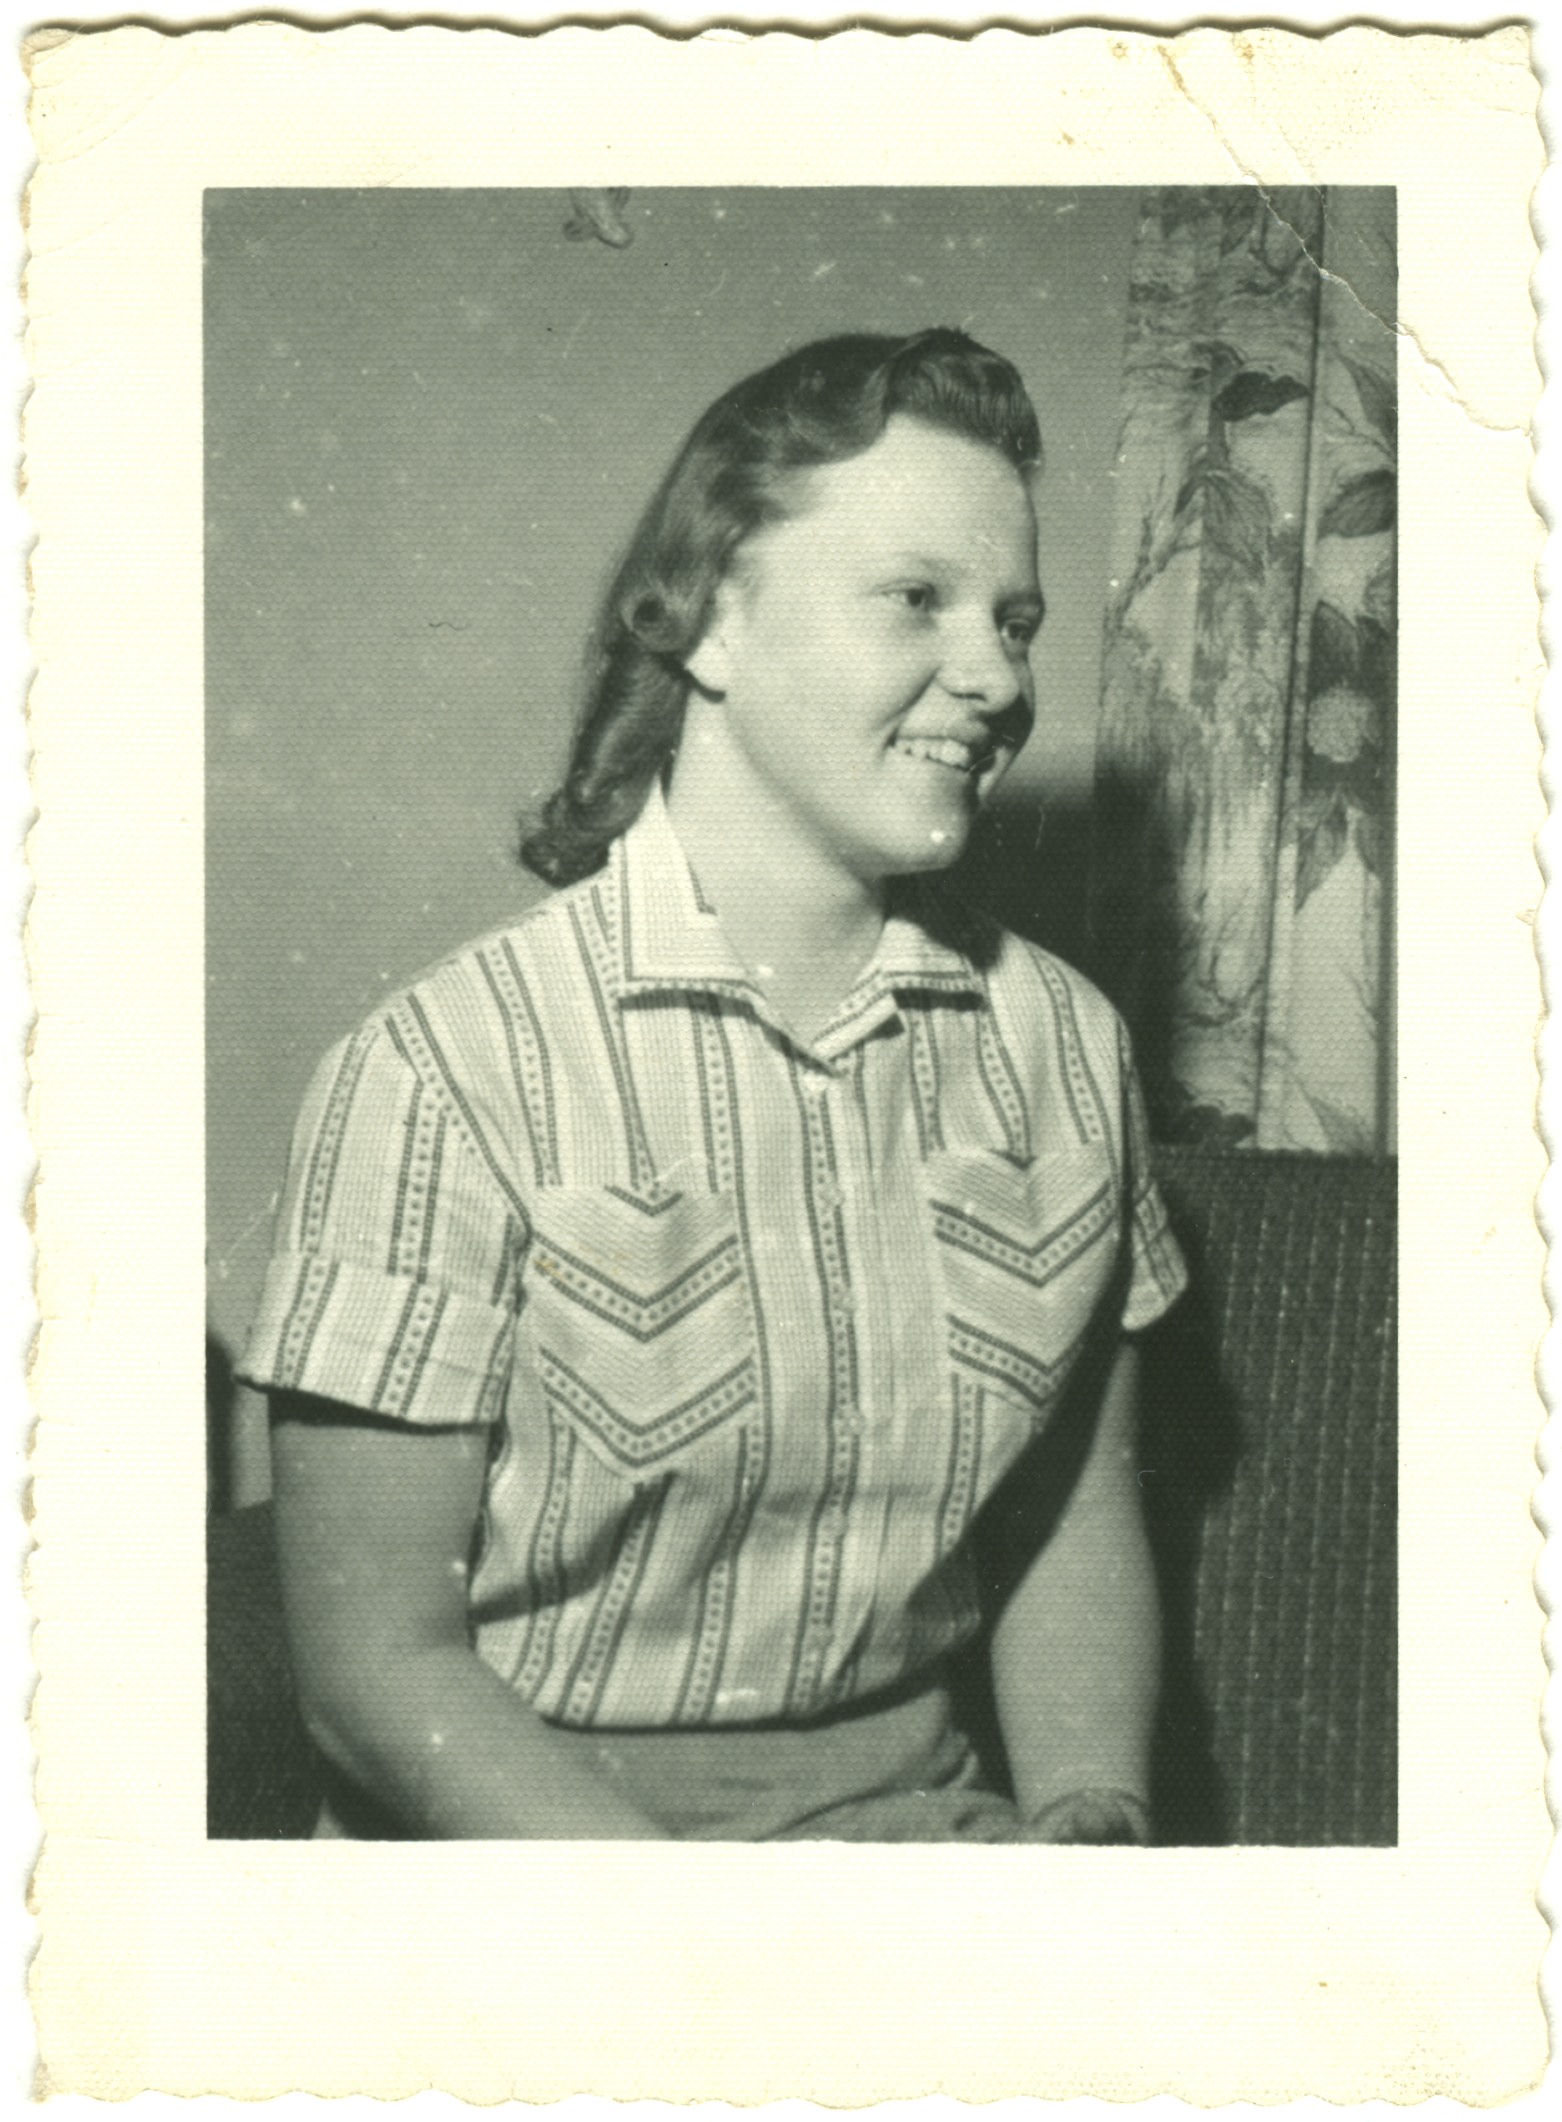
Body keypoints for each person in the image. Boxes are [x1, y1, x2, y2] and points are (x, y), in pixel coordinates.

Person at [240, 327, 1188, 1842]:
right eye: (917, 599)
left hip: (914, 1825)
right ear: (711, 622)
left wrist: (1091, 1808)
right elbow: (374, 1677)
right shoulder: (439, 1069)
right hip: (531, 1855)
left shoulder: (1065, 1046)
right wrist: (694, 1939)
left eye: (1014, 620)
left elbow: (1070, 1511)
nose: (996, 677)